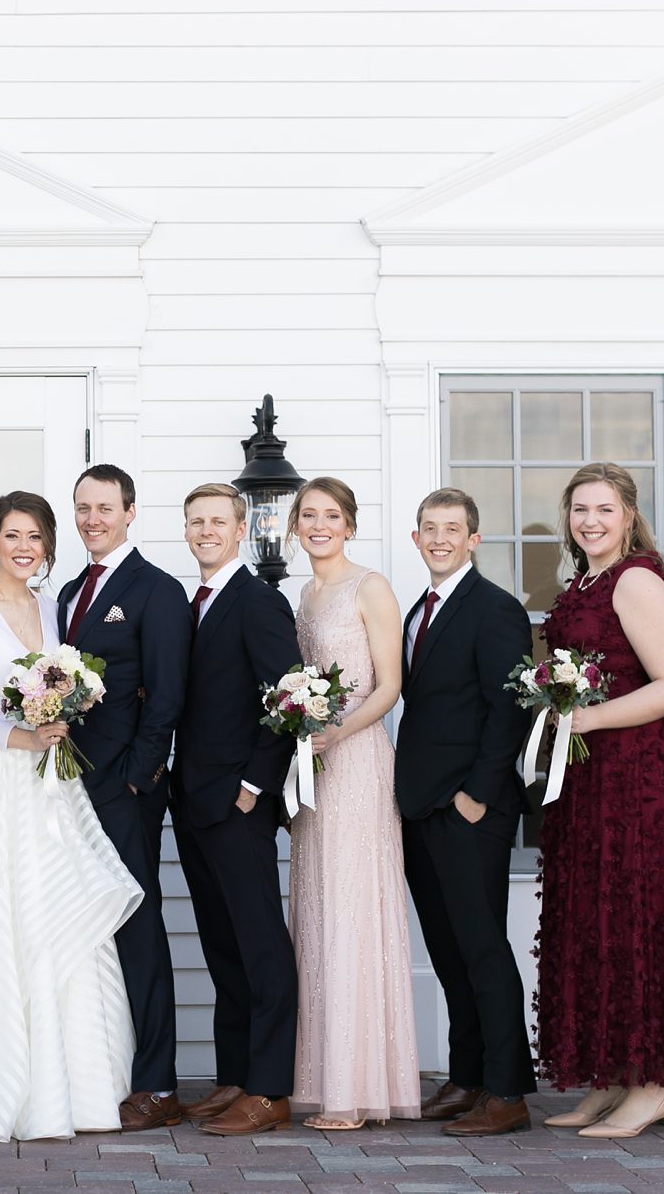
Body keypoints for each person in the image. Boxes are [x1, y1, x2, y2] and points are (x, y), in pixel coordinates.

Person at [0, 491, 142, 1141]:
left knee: (58, 919)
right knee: (4, 918)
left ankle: (75, 1092)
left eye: (35, 537)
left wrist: (61, 713)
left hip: (52, 782)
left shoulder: (54, 610)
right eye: (12, 535)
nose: (24, 547)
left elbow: (61, 685)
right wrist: (19, 737)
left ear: (48, 548)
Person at [532, 463, 664, 1139]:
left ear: (628, 516)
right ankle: (609, 1078)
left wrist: (589, 721)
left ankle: (655, 1084)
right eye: (579, 510)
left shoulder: (635, 579)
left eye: (604, 509)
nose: (590, 521)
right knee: (592, 921)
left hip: (634, 777)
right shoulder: (583, 581)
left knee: (635, 920)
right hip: (586, 779)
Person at [394, 489, 538, 1137]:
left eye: (453, 528)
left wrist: (476, 794)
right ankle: (468, 1075)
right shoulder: (415, 613)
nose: (441, 538)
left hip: (471, 808)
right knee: (448, 950)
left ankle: (507, 1093)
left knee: (482, 948)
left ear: (474, 539)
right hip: (421, 806)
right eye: (431, 528)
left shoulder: (496, 610)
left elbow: (508, 708)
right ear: (417, 536)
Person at [54, 465, 189, 1131]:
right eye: (83, 507)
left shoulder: (155, 590)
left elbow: (166, 695)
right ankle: (104, 1063)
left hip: (125, 787)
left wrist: (138, 777)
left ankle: (159, 1083)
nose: (91, 519)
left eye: (104, 507)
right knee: (92, 921)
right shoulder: (72, 591)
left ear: (130, 512)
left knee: (137, 921)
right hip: (72, 783)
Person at [284, 477, 420, 1129]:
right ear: (292, 526)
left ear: (350, 525)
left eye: (331, 515)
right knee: (315, 909)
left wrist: (333, 732)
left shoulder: (371, 587)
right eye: (308, 515)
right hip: (313, 769)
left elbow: (390, 685)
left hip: (358, 760)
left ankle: (359, 1086)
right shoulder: (303, 596)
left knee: (353, 910)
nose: (318, 525)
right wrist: (301, 732)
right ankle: (320, 1076)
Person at [169, 484, 301, 1138]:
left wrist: (256, 784)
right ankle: (236, 1074)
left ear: (241, 528)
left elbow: (289, 697)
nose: (205, 531)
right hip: (192, 800)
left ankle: (271, 1089)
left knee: (259, 944)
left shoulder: (257, 601)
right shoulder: (188, 604)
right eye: (196, 521)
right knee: (221, 946)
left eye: (218, 521)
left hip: (238, 801)